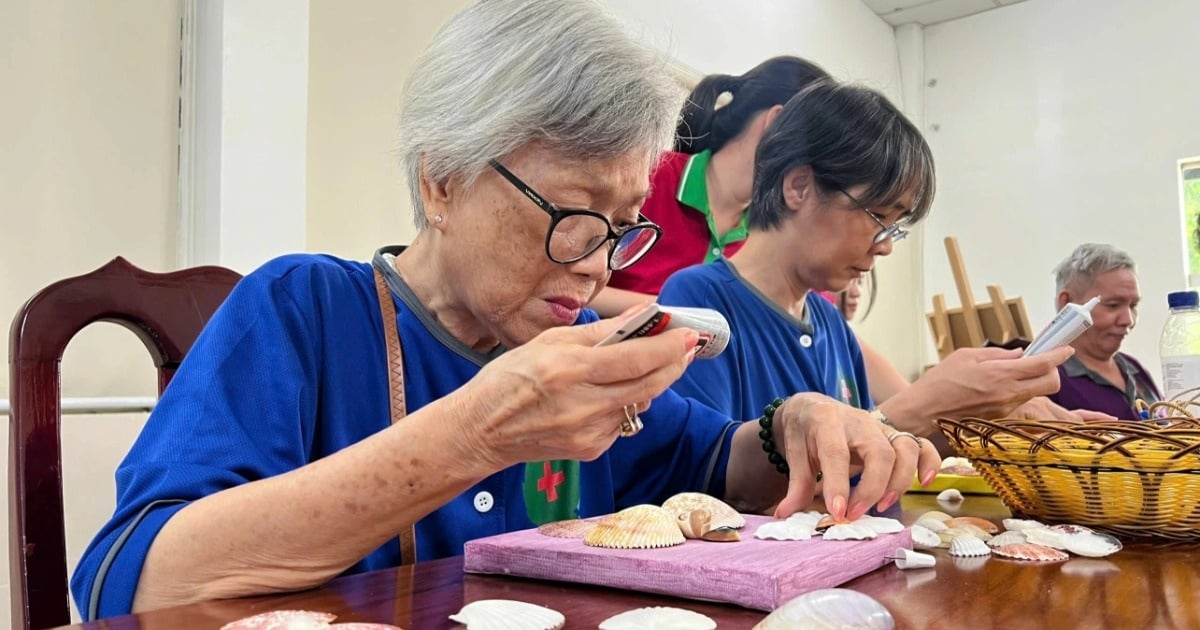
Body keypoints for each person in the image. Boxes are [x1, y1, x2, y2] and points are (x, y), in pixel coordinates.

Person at [70, 0, 939, 620]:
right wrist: (479, 431)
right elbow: (133, 582)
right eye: (570, 217)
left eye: (625, 228)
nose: (597, 263)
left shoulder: (580, 350)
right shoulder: (306, 311)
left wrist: (796, 420)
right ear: (440, 179)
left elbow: (719, 461)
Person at [659, 80, 1077, 438]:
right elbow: (711, 491)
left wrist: (986, 412)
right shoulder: (700, 301)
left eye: (897, 227)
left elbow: (869, 461)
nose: (886, 245)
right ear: (799, 186)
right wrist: (922, 405)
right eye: (880, 216)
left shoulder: (831, 326)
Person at [590, 56, 830, 316]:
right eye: (822, 151)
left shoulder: (772, 233)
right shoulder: (648, 174)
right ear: (776, 122)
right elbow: (567, 285)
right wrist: (686, 309)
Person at [1046, 243, 1162, 419]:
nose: (1128, 320)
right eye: (1113, 305)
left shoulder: (1134, 369)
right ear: (1067, 303)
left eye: (1133, 306)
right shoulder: (1047, 379)